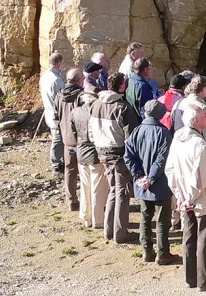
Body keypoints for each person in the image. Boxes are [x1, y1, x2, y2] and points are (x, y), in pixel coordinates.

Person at [167, 106, 206, 291]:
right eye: (204, 117)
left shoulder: (177, 138)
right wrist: (190, 198)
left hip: (185, 197)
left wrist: (180, 196)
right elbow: (200, 180)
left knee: (189, 237)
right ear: (196, 121)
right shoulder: (201, 146)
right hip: (201, 199)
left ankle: (190, 278)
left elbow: (170, 170)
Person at [124, 100, 179, 265]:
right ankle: (163, 253)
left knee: (145, 217)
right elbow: (162, 160)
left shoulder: (136, 131)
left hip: (142, 184)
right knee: (162, 219)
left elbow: (128, 156)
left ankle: (147, 251)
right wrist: (151, 178)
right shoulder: (165, 133)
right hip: (160, 184)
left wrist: (140, 176)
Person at [90, 73, 142, 243]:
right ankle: (120, 233)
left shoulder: (95, 104)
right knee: (122, 193)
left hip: (102, 152)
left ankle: (108, 230)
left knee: (113, 190)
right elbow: (131, 137)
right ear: (121, 87)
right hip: (118, 154)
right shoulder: (123, 107)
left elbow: (91, 130)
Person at [71, 91, 107, 228]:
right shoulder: (97, 111)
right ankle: (98, 220)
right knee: (98, 188)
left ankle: (87, 217)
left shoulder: (75, 111)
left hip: (81, 152)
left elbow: (73, 131)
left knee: (85, 187)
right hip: (95, 153)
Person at [54, 68, 84, 211]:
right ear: (78, 81)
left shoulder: (58, 96)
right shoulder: (80, 96)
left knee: (69, 170)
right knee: (84, 170)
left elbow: (56, 117)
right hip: (80, 140)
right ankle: (86, 201)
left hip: (67, 140)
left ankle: (71, 200)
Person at [40, 52, 66, 175]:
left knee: (57, 138)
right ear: (59, 63)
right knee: (58, 139)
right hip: (56, 115)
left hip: (49, 112)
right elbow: (63, 98)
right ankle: (56, 165)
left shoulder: (45, 75)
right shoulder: (56, 81)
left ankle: (58, 162)